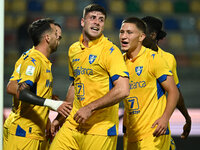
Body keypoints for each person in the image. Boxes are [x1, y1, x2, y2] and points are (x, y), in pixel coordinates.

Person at [50, 4, 130, 150]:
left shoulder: (110, 51)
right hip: (73, 125)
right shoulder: (73, 49)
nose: (97, 22)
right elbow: (75, 85)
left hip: (100, 130)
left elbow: (123, 90)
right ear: (82, 22)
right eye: (92, 18)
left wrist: (90, 108)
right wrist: (59, 119)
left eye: (101, 20)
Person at [5, 18, 72, 150]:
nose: (59, 36)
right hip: (24, 134)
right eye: (55, 33)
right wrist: (53, 103)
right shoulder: (34, 60)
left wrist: (46, 99)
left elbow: (16, 87)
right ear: (47, 37)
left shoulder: (38, 59)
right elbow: (20, 91)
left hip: (34, 132)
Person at [119, 17, 179, 150]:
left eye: (129, 33)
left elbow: (174, 91)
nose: (124, 36)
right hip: (131, 133)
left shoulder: (154, 58)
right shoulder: (120, 62)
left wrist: (165, 118)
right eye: (121, 32)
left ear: (141, 37)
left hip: (153, 132)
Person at [141, 16, 191, 139]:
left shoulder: (168, 59)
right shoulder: (129, 57)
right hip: (133, 125)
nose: (138, 35)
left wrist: (187, 118)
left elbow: (175, 92)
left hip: (156, 125)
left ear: (152, 35)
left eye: (142, 32)